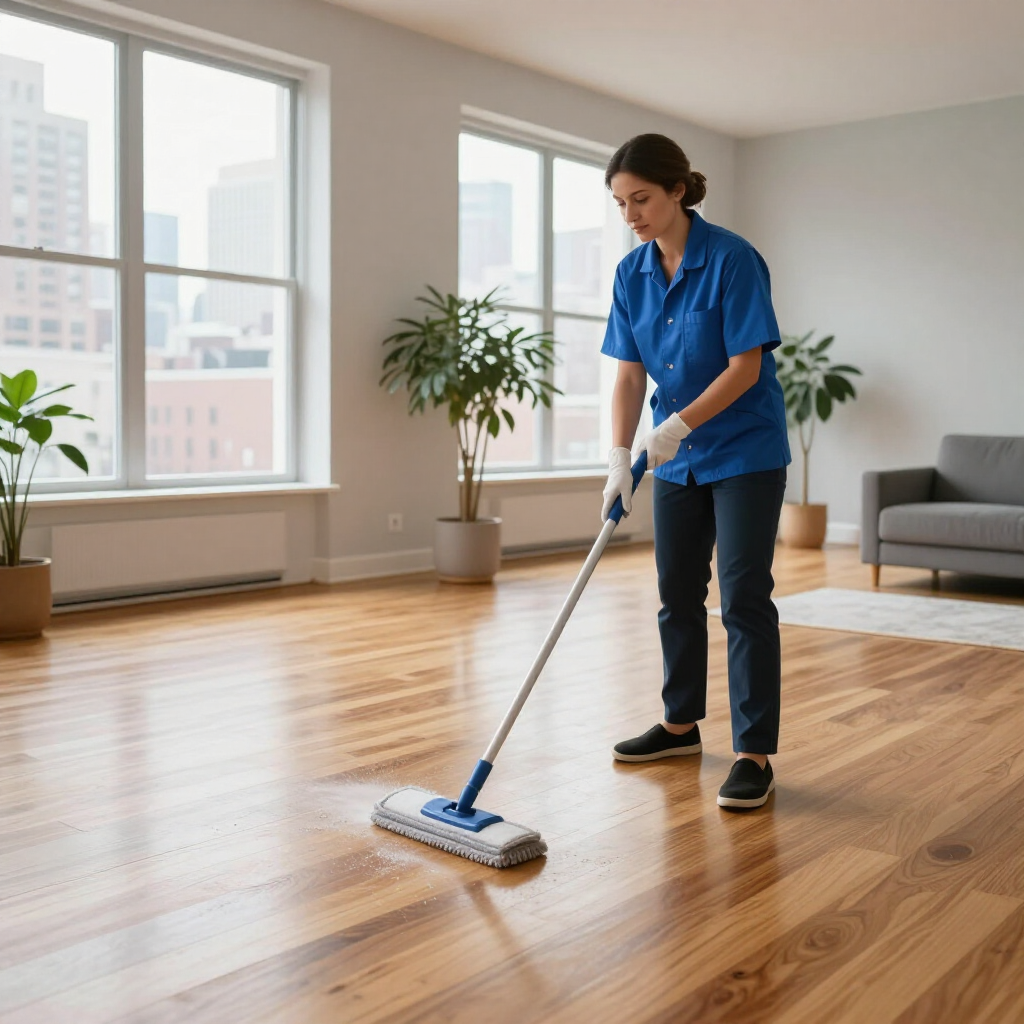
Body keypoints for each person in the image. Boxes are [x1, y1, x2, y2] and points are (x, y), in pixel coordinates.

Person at [600, 133, 790, 810]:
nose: (632, 215)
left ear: (679, 190)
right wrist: (621, 456)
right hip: (673, 463)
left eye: (642, 199)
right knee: (676, 593)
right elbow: (628, 375)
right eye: (621, 204)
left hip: (743, 452)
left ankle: (753, 754)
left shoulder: (734, 259)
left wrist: (677, 427)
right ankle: (680, 726)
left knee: (743, 598)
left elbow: (746, 368)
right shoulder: (632, 275)